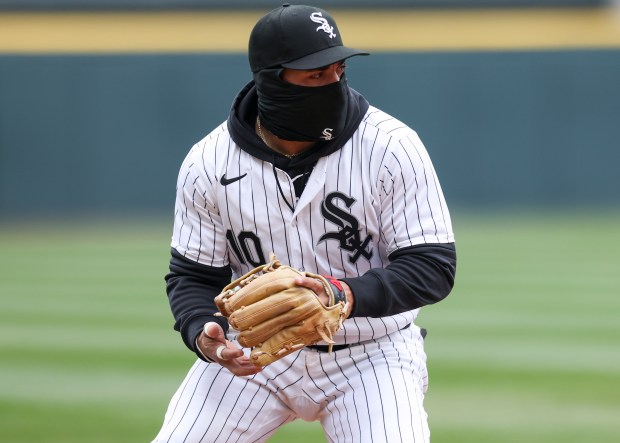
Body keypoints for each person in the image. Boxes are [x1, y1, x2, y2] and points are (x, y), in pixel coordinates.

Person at [152, 4, 456, 443]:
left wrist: (342, 292)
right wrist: (204, 334)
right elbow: (192, 276)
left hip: (372, 354)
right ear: (272, 80)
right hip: (256, 357)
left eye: (337, 70)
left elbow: (432, 267)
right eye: (315, 75)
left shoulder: (391, 146)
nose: (332, 83)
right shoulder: (207, 163)